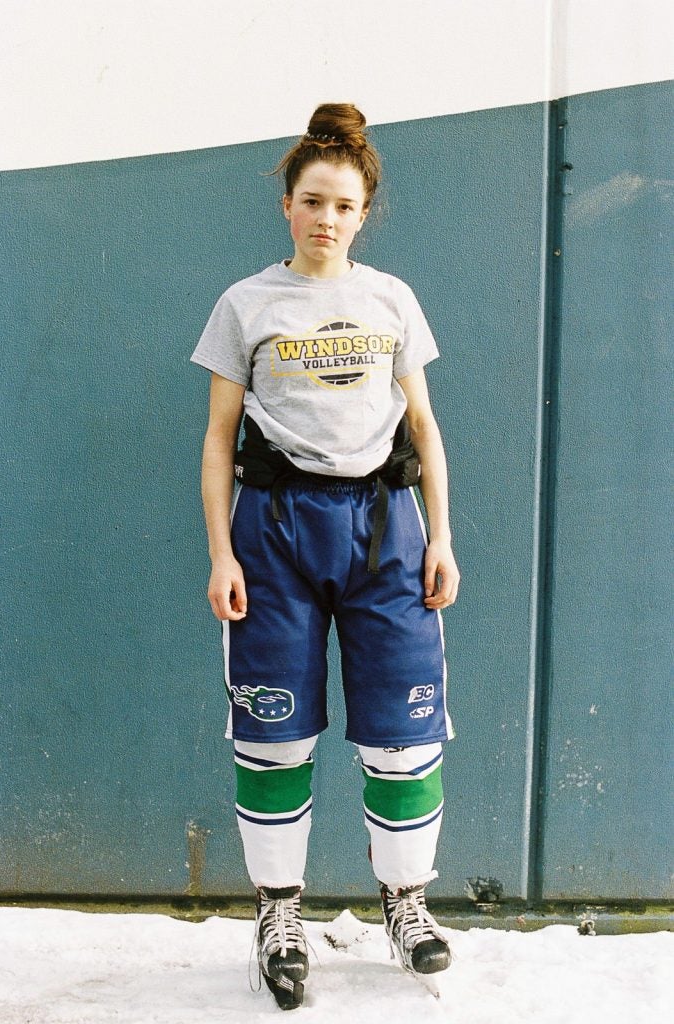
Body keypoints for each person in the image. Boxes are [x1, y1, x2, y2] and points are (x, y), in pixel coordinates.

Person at [191, 102, 460, 1010]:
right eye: (312, 202)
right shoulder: (246, 302)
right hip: (274, 534)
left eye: (344, 206)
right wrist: (222, 554)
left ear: (363, 212)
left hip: (386, 531)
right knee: (275, 736)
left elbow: (423, 426)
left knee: (404, 733)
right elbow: (219, 438)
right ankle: (279, 913)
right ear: (288, 205)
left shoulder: (390, 299)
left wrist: (444, 537)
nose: (327, 220)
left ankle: (406, 902)